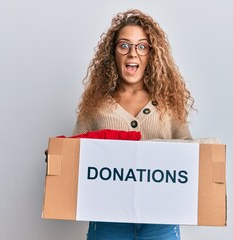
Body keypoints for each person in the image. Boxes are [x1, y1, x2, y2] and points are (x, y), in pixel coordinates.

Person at [72, 9, 194, 240]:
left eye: (141, 46)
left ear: (151, 53)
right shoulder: (96, 104)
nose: (132, 54)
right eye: (124, 46)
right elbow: (76, 151)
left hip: (160, 222)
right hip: (108, 221)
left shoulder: (169, 103)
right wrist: (59, 155)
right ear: (113, 52)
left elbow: (187, 153)